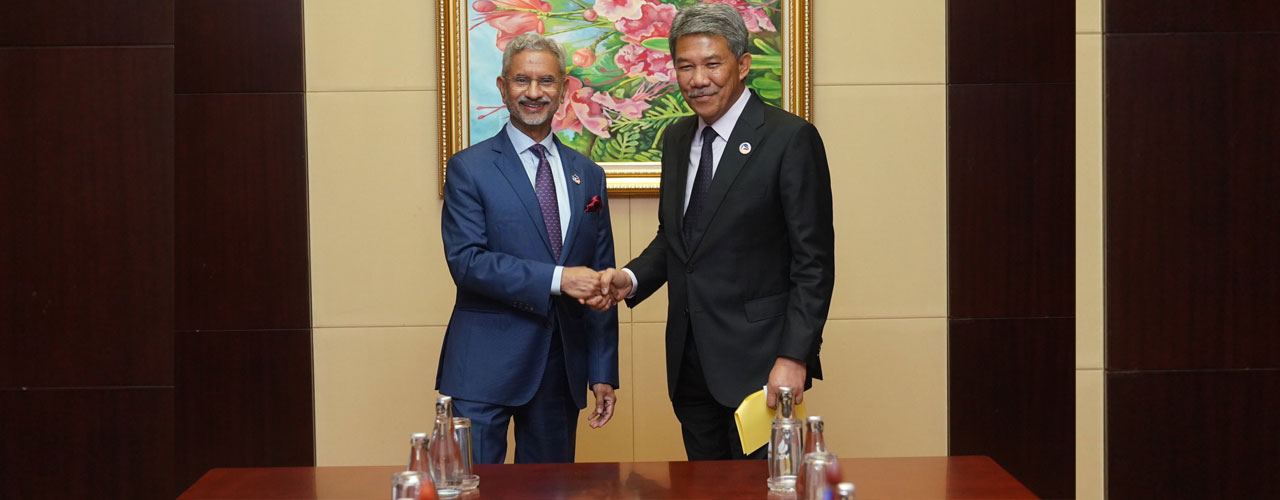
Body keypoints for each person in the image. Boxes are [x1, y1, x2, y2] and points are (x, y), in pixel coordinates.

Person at [594, 3, 835, 460]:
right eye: (685, 66)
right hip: (690, 363)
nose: (698, 79)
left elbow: (814, 263)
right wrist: (629, 279)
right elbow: (678, 240)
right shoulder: (679, 138)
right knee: (702, 489)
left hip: (761, 366)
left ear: (742, 65)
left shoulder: (790, 139)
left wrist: (794, 357)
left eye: (712, 64)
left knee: (764, 489)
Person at [437, 33, 619, 464]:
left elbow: (601, 277)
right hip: (483, 366)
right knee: (471, 491)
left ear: (564, 89)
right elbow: (468, 262)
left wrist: (602, 370)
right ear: (502, 88)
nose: (534, 93)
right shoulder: (469, 168)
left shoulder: (588, 174)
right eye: (522, 81)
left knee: (552, 492)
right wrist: (559, 279)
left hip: (560, 369)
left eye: (546, 82)